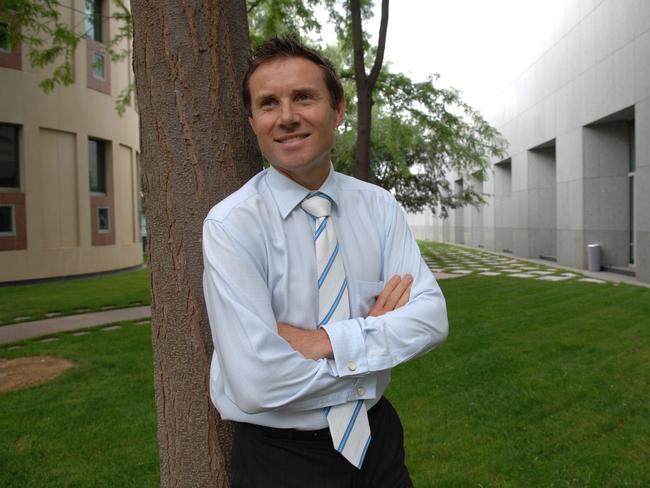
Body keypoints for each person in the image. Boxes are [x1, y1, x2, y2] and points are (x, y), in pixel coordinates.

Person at [202, 36, 448, 488]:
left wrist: (324, 341)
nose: (288, 117)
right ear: (253, 121)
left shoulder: (379, 207)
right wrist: (371, 345)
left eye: (303, 97)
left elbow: (431, 320)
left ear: (337, 109)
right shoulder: (230, 226)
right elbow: (257, 382)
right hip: (280, 461)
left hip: (378, 442)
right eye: (269, 103)